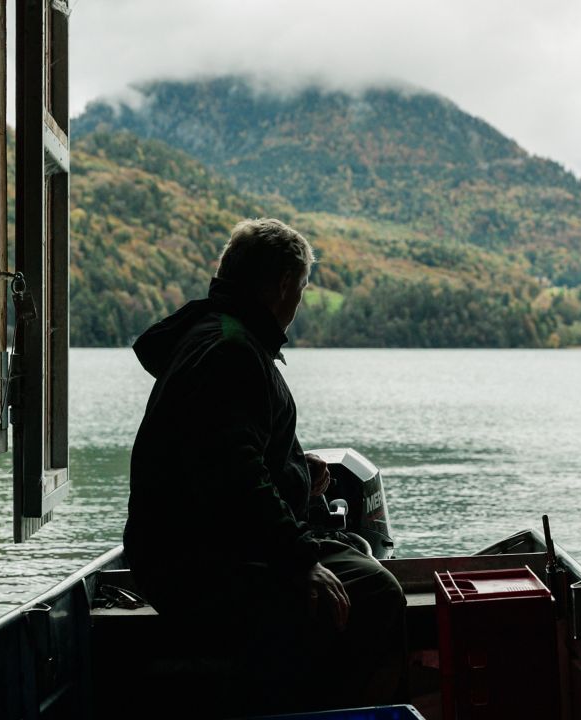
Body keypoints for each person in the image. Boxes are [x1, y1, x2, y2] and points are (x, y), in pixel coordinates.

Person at [123, 218, 406, 714]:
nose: (299, 302)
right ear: (282, 286)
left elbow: (226, 452)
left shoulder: (215, 336)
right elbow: (235, 477)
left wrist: (294, 468)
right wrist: (301, 560)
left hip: (195, 551)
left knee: (355, 555)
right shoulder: (232, 352)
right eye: (302, 288)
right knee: (378, 593)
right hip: (200, 568)